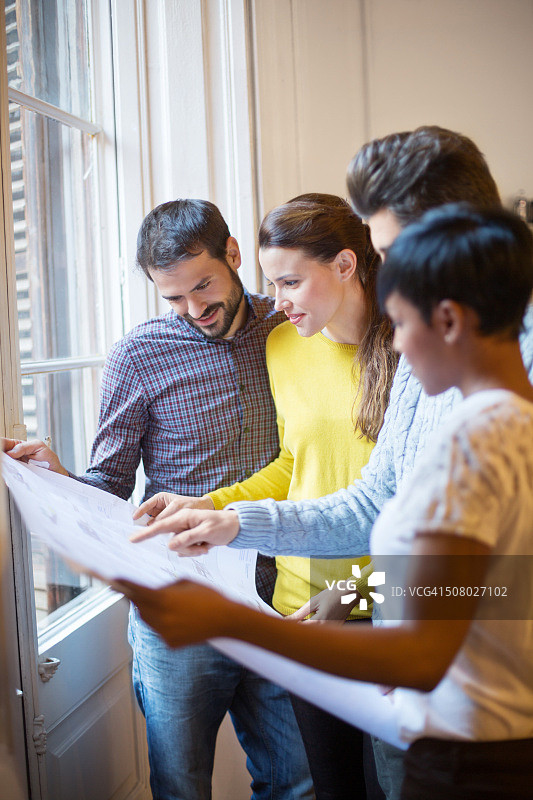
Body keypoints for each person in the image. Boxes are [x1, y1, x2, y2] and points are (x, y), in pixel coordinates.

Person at [125, 127, 533, 799]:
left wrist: (241, 622)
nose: (389, 342)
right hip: (449, 714)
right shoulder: (433, 376)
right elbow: (393, 518)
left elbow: (492, 586)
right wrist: (233, 522)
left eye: (397, 259)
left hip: (483, 735)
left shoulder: (484, 420)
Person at [2, 199, 313, 800]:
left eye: (204, 287)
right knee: (179, 785)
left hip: (285, 596)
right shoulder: (137, 356)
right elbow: (110, 488)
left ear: (233, 254)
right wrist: (58, 473)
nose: (195, 310)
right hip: (180, 605)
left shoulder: (293, 326)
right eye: (173, 298)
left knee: (296, 781)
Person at [143, 193, 396, 799]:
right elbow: (293, 463)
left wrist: (361, 590)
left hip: (391, 602)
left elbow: (425, 517)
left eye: (288, 282)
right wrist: (213, 506)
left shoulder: (412, 357)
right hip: (302, 611)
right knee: (331, 790)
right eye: (270, 283)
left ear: (344, 264)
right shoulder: (283, 346)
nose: (275, 303)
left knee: (396, 784)